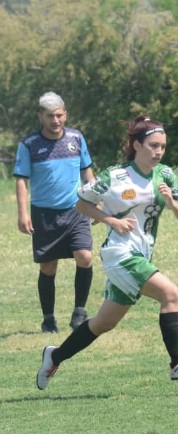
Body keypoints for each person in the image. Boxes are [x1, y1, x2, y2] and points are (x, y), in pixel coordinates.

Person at [36, 115, 178, 390]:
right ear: (137, 145)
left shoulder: (165, 174)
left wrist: (171, 201)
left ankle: (54, 356)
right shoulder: (115, 176)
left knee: (103, 323)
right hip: (120, 253)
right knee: (171, 294)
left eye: (162, 146)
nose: (159, 151)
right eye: (153, 145)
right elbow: (82, 203)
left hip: (141, 254)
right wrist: (111, 220)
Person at [13, 92, 94, 333]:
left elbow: (87, 171)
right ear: (41, 116)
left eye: (59, 115)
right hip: (44, 214)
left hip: (76, 210)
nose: (55, 120)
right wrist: (22, 214)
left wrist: (96, 201)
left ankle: (79, 313)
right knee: (48, 266)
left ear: (65, 114)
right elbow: (21, 180)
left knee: (85, 257)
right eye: (50, 116)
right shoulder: (28, 145)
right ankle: (48, 320)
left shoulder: (76, 138)